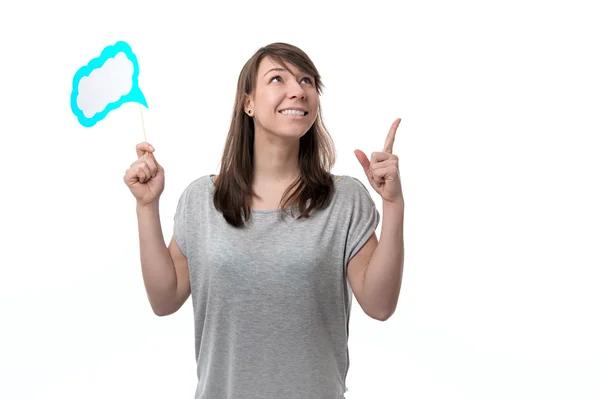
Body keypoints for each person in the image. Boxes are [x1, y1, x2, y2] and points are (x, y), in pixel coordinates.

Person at [124, 42, 404, 399]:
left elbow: (380, 306)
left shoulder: (344, 200)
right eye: (277, 78)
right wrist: (146, 208)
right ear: (248, 103)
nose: (298, 91)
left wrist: (393, 204)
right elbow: (165, 301)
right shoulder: (202, 200)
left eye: (307, 81)